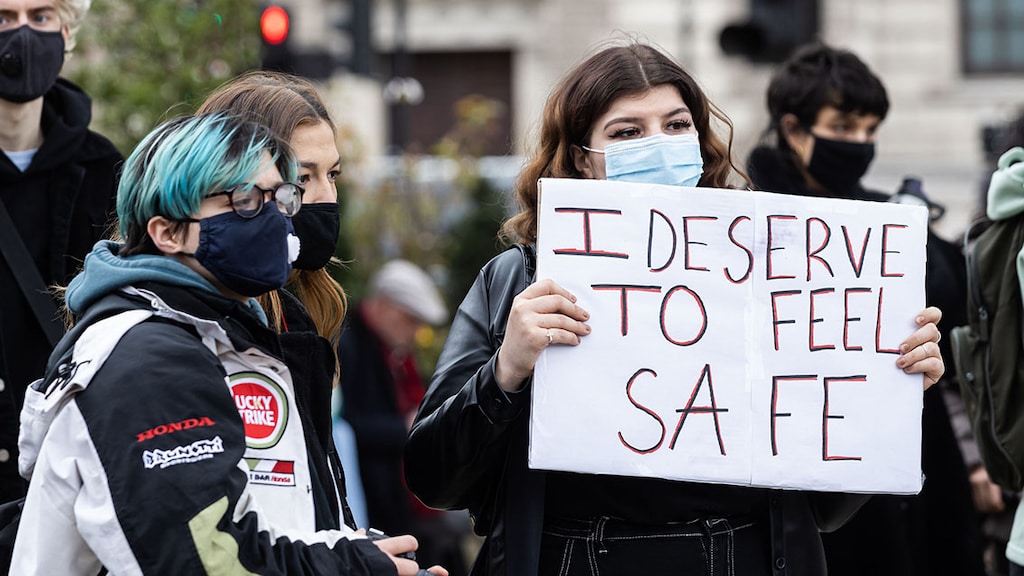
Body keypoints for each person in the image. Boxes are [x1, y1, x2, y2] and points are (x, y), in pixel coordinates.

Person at [403, 41, 945, 576]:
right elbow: (434, 477)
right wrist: (506, 370)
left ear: (701, 142)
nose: (659, 144)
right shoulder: (517, 281)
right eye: (627, 132)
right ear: (581, 160)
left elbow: (825, 508)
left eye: (677, 124)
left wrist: (885, 394)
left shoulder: (774, 269)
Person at [11, 112, 445, 575]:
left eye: (281, 197)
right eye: (243, 201)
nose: (274, 217)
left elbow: (262, 526)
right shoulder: (148, 357)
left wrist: (355, 552)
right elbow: (207, 560)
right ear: (168, 232)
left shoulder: (224, 335)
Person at [745, 42, 985, 576]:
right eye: (845, 126)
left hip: (919, 464)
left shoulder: (888, 215)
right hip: (812, 471)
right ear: (793, 128)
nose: (860, 143)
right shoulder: (745, 219)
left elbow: (955, 313)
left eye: (871, 130)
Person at [196, 70, 356, 533]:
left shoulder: (299, 310)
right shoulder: (196, 322)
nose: (326, 196)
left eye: (333, 175)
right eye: (303, 177)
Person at [0, 0, 122, 504]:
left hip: (72, 468)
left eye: (41, 16)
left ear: (67, 32)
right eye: (4, 17)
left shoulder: (105, 170)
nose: (23, 34)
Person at [338, 260, 471, 574]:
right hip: (375, 503)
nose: (414, 330)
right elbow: (343, 428)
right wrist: (404, 429)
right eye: (409, 318)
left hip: (404, 499)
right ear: (383, 305)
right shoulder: (349, 346)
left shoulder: (394, 351)